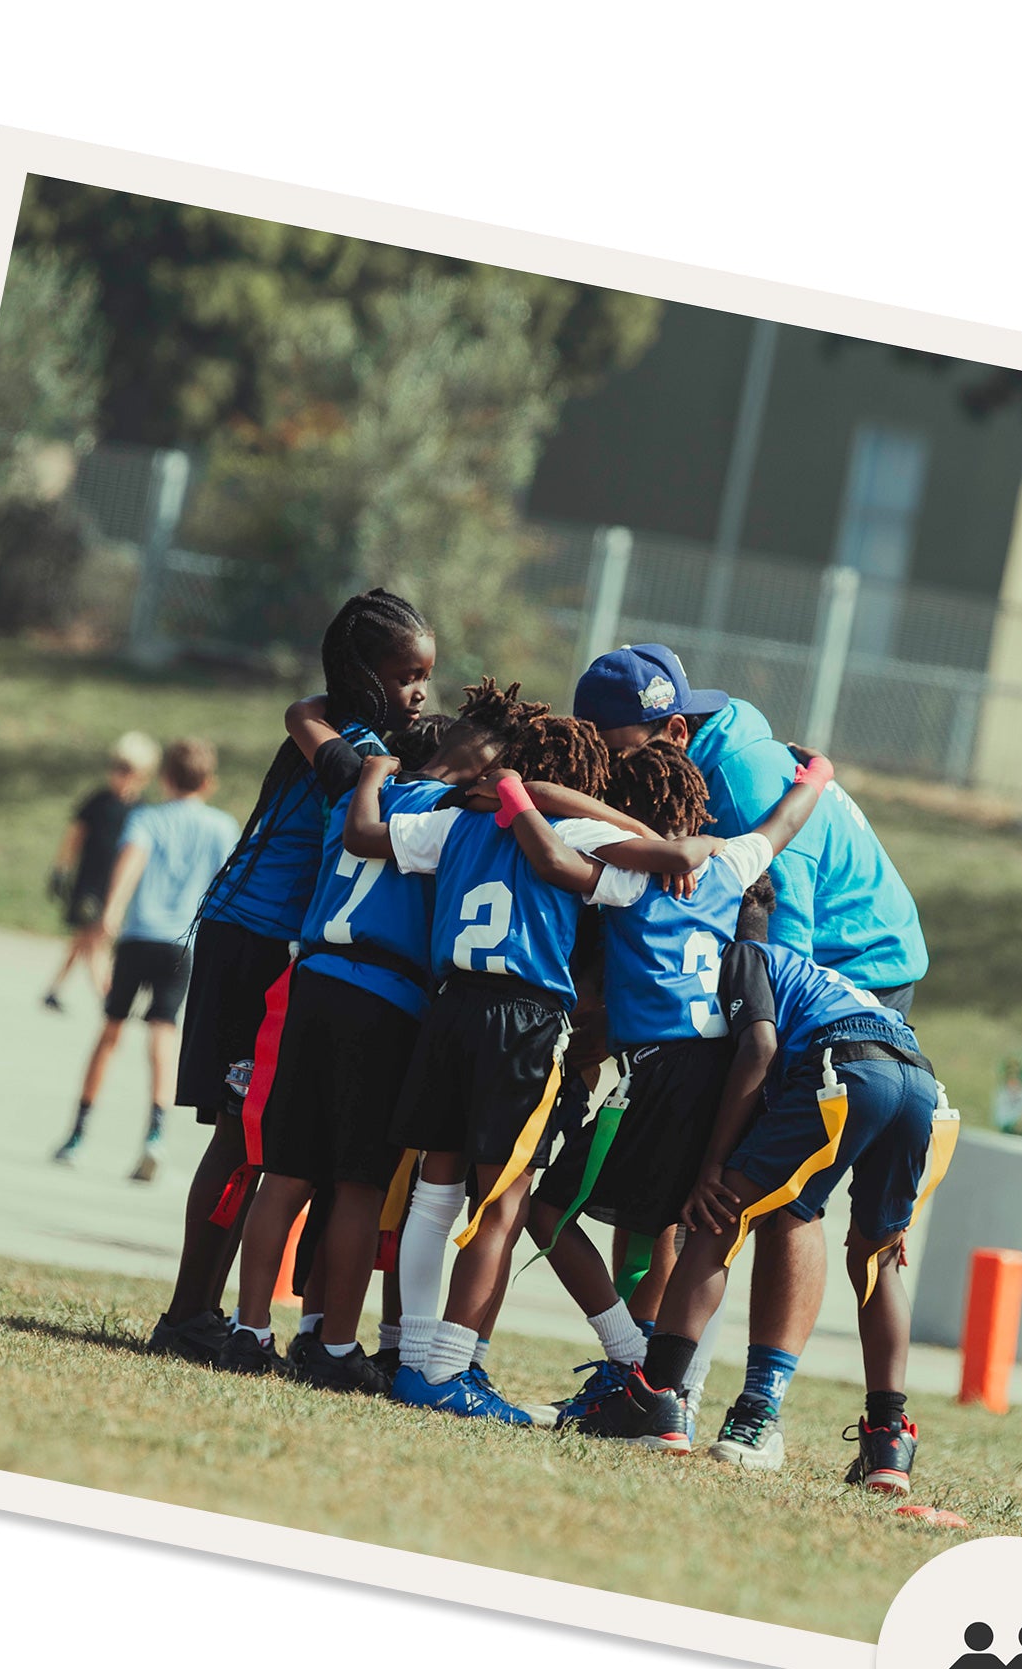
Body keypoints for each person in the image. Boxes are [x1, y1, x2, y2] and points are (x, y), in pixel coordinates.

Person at [573, 640, 931, 1436]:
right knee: (686, 1171)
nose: (605, 771)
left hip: (843, 977)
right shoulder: (687, 764)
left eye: (615, 752)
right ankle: (652, 1379)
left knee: (771, 1193)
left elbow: (778, 945)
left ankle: (749, 1406)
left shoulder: (736, 780)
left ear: (670, 734)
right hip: (782, 980)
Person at [349, 716, 692, 1424]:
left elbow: (365, 838)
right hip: (523, 1020)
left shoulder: (457, 824)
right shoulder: (572, 828)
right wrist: (563, 803)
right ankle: (447, 1370)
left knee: (432, 1197)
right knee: (501, 1205)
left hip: (450, 1008)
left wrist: (389, 780)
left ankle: (415, 1361)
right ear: (577, 779)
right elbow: (656, 865)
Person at [567, 868, 942, 1491]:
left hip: (843, 1068)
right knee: (878, 1260)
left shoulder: (745, 955)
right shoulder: (826, 974)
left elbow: (759, 1046)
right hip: (918, 1081)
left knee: (717, 1214)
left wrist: (714, 1165)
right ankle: (888, 1442)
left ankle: (656, 1396)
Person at [217, 684, 546, 1387]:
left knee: (285, 1173)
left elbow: (306, 715)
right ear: (489, 768)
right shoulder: (461, 815)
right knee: (359, 1184)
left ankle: (247, 1330)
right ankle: (334, 1347)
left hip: (312, 981)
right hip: (386, 997)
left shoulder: (361, 786)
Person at [143, 591, 433, 1365]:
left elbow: (307, 709)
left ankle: (214, 1315)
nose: (420, 692)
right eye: (408, 675)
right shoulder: (355, 748)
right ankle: (188, 1316)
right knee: (243, 1135)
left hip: (268, 945)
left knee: (253, 1137)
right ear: (364, 674)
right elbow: (349, 782)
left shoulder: (335, 723)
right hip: (254, 944)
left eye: (425, 677)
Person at [513, 741, 833, 1441]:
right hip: (727, 1074)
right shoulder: (732, 863)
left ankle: (639, 1372)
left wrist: (520, 793)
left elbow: (539, 802)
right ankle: (669, 1398)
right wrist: (817, 776)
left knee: (547, 1212)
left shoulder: (627, 880)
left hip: (662, 1070)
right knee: (687, 1228)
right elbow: (787, 821)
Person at [52, 740, 236, 1179]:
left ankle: (78, 1134)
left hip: (138, 938)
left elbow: (131, 863)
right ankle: (155, 1134)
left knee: (111, 1030)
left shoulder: (148, 818)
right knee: (163, 1033)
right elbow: (226, 883)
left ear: (165, 778)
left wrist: (111, 913)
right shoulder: (221, 826)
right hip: (182, 944)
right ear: (209, 783)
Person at [43, 733, 159, 1010]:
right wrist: (61, 870)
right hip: (89, 884)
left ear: (142, 776)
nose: (118, 775)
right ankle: (108, 996)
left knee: (83, 940)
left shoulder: (143, 812)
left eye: (127, 770)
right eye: (116, 768)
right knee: (96, 940)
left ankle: (54, 988)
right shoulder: (98, 801)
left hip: (116, 886)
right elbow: (74, 836)